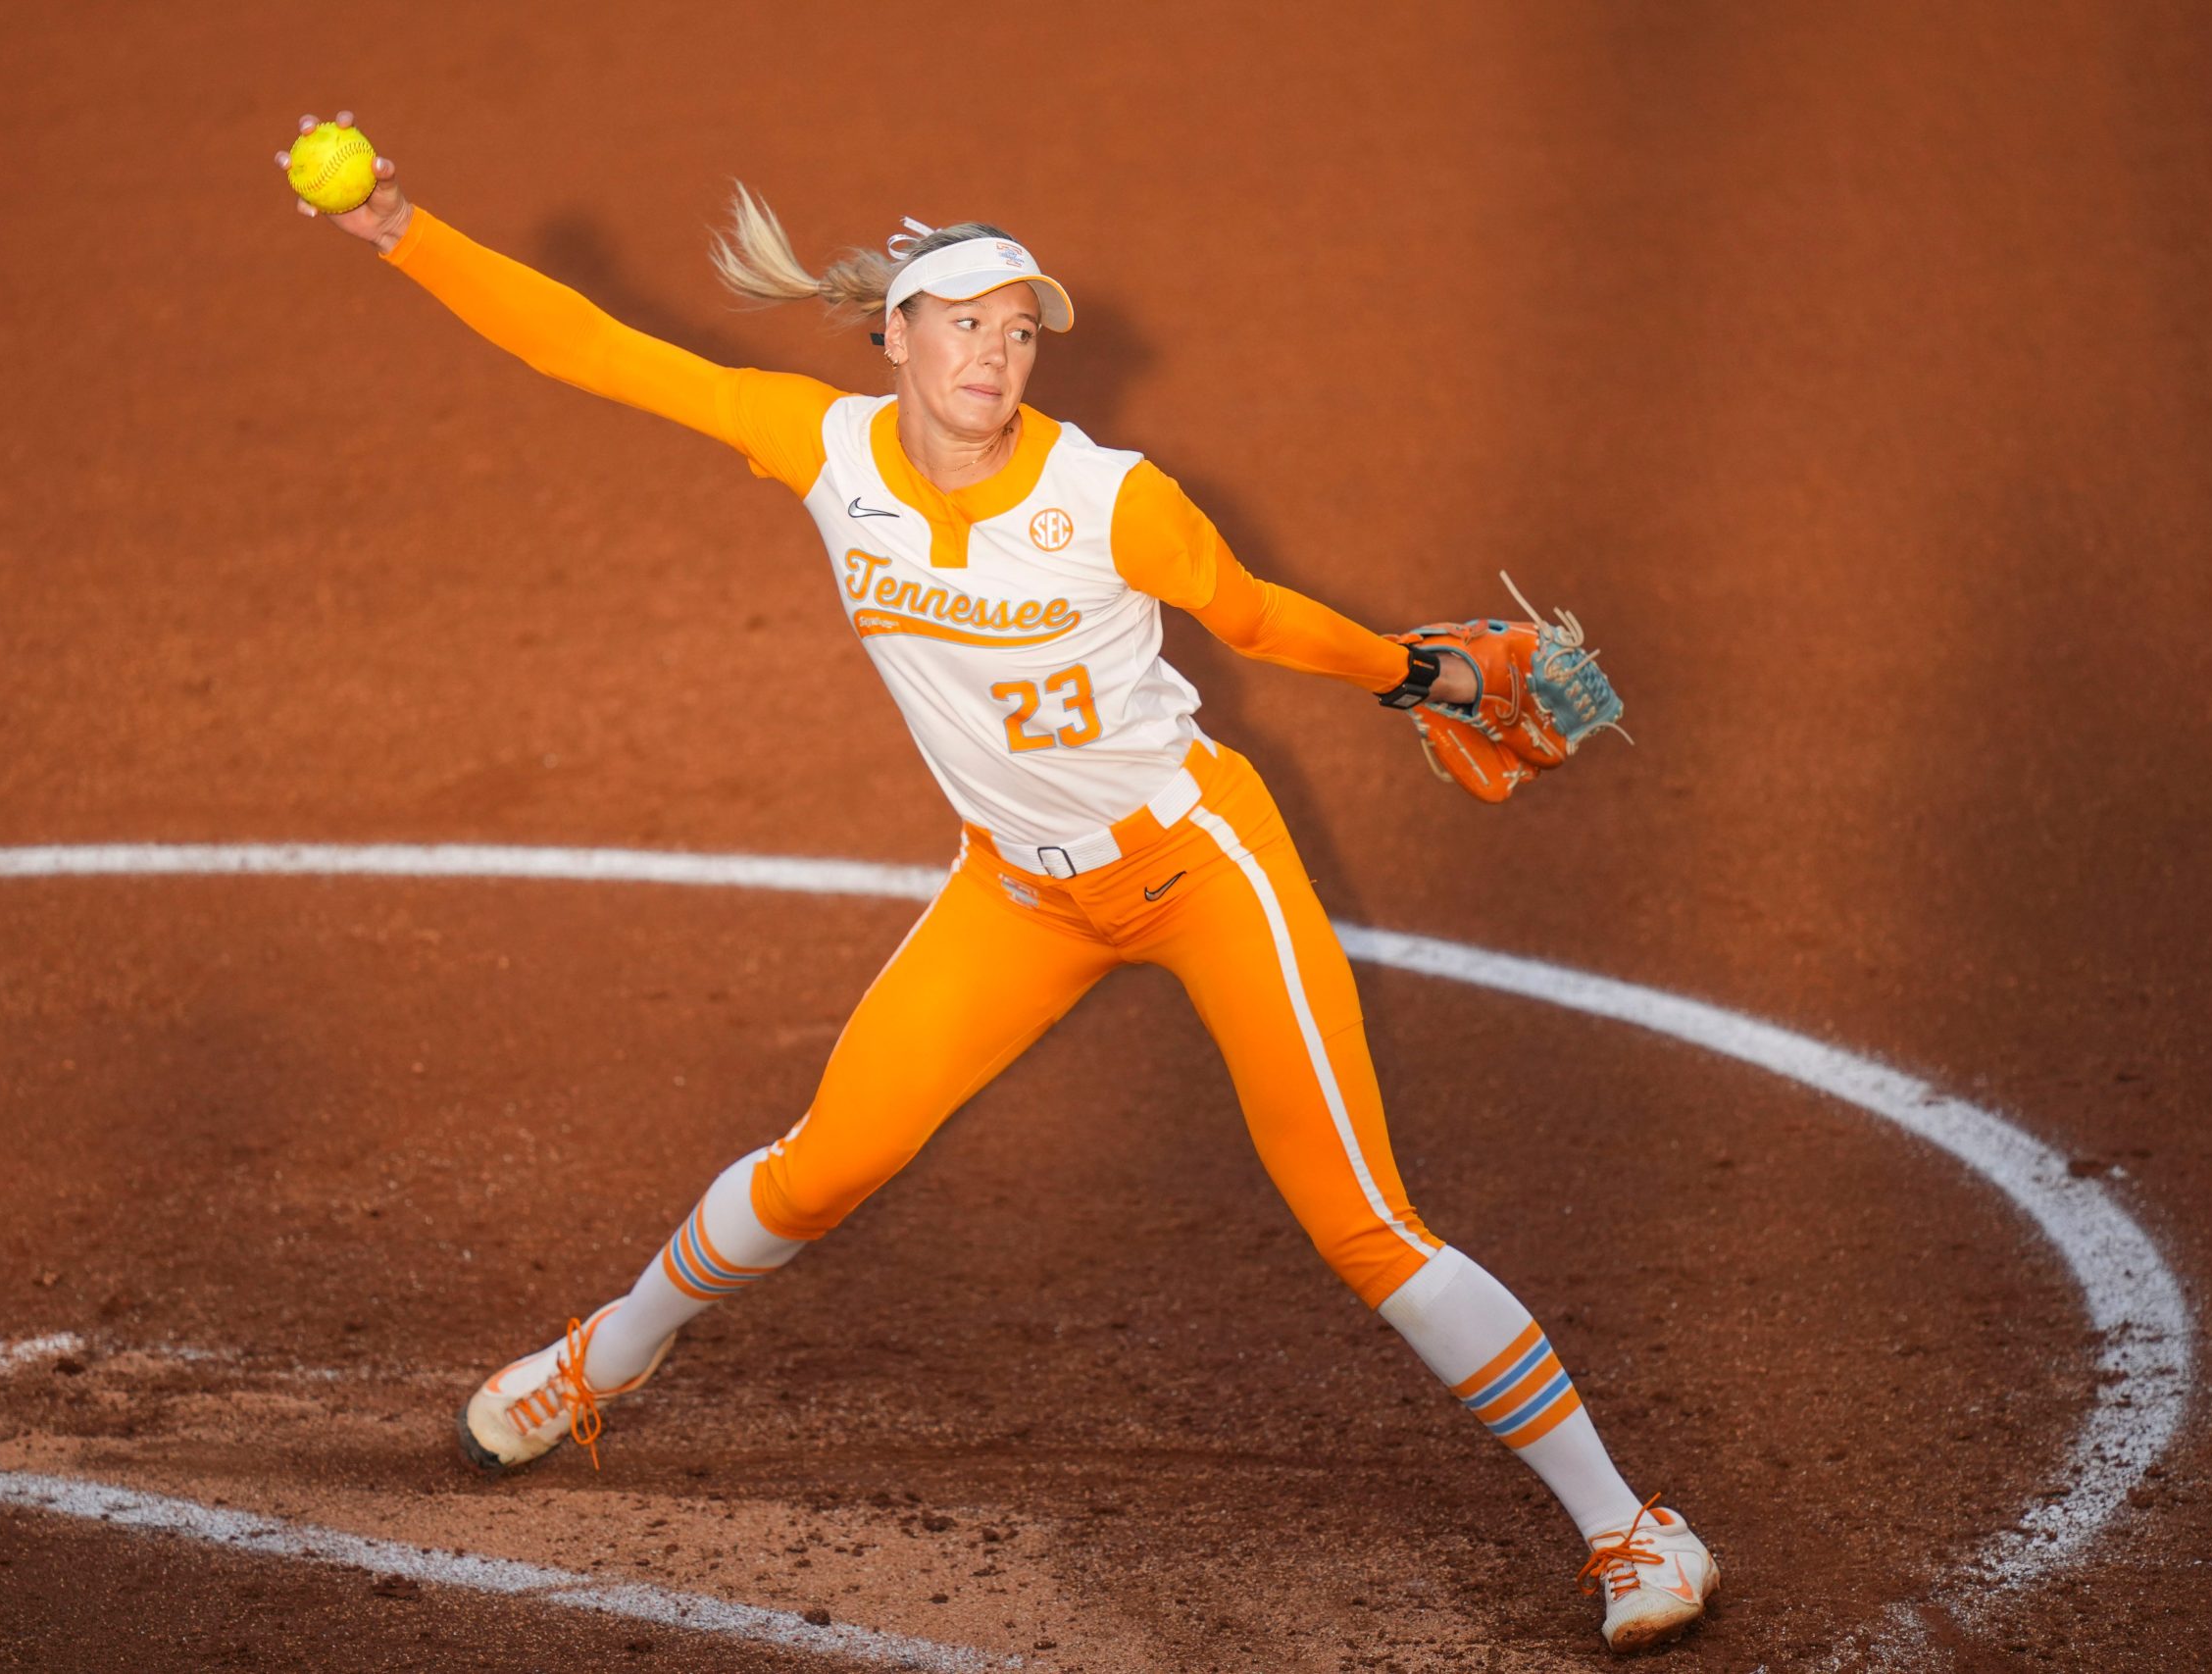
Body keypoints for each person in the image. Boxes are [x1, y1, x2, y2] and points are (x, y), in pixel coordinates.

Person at [276, 111, 1718, 1653]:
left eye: (1019, 331)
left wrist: (1412, 673)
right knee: (824, 1166)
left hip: (1194, 865)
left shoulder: (1112, 497)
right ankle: (596, 1367)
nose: (996, 353)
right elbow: (597, 351)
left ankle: (1631, 1529)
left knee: (1361, 1223)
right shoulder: (822, 449)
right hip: (1016, 894)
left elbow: (1251, 617)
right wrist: (403, 234)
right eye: (966, 325)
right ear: (895, 338)